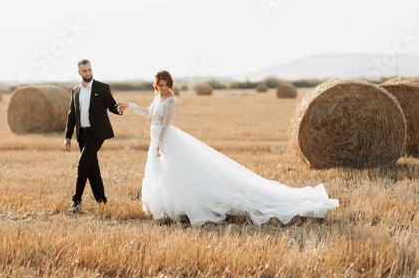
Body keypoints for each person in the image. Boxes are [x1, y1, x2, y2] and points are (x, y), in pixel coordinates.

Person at [117, 70, 338, 227]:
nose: (163, 89)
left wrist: (159, 144)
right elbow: (148, 113)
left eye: (166, 86)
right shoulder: (158, 98)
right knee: (165, 174)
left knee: (178, 173)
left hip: (164, 140)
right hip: (156, 138)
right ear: (156, 87)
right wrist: (129, 105)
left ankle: (188, 206)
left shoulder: (171, 101)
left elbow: (166, 124)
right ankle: (171, 207)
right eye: (160, 86)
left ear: (170, 85)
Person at [64, 59, 126, 212]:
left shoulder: (102, 87)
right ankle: (102, 200)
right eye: (84, 71)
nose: (88, 73)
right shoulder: (75, 91)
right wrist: (67, 137)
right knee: (92, 168)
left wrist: (119, 109)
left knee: (83, 164)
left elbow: (112, 106)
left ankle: (76, 200)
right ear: (79, 73)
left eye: (90, 70)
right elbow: (72, 115)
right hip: (82, 134)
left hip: (97, 133)